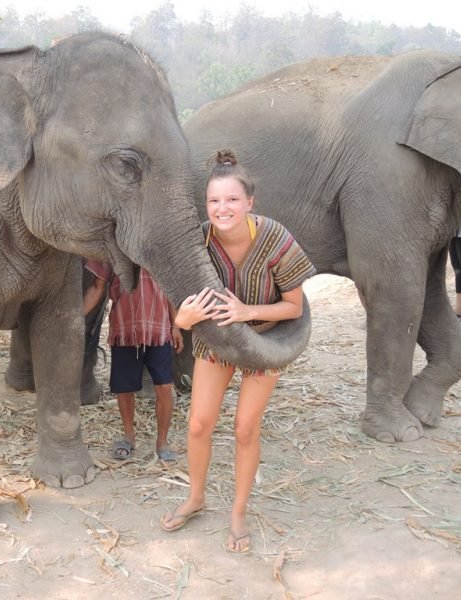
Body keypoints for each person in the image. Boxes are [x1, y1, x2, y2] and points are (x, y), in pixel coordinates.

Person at [159, 149, 316, 553]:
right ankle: (196, 498)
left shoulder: (276, 238)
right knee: (198, 424)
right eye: (214, 201)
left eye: (231, 200)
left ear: (249, 202)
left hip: (265, 343)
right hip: (217, 343)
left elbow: (294, 307)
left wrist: (249, 311)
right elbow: (180, 312)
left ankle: (239, 511)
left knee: (246, 427)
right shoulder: (198, 241)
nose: (222, 208)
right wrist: (183, 320)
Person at [83, 260, 183, 462]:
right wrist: (75, 317)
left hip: (159, 329)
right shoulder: (111, 251)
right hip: (124, 329)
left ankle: (162, 442)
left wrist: (176, 326)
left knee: (164, 386)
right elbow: (97, 286)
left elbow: (170, 291)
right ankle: (128, 437)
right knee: (124, 388)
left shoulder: (159, 250)